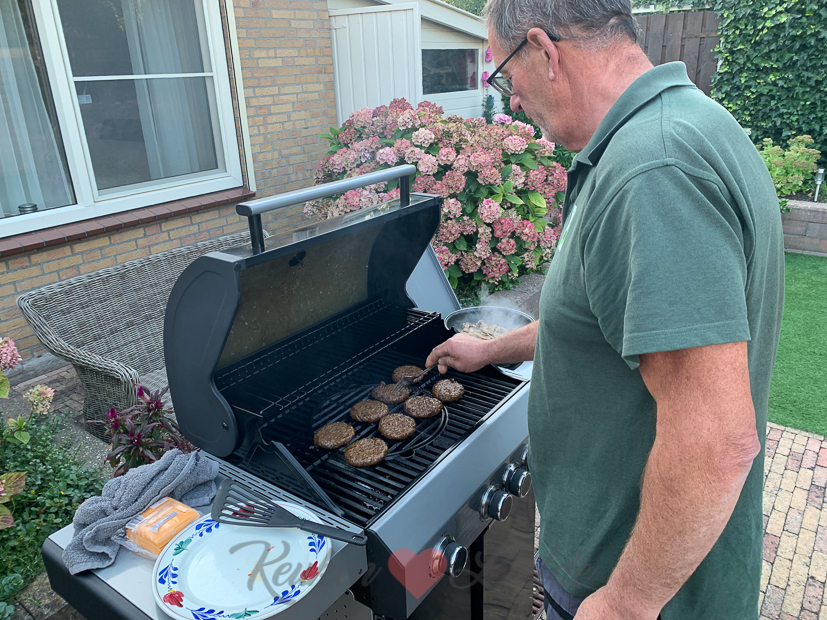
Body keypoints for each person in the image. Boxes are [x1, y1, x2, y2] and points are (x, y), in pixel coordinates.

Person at [425, 1, 785, 618]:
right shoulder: (686, 122)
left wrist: (624, 603)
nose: (512, 101)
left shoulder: (653, 170)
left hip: (636, 585)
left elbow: (716, 441)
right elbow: (603, 319)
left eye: (506, 76)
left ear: (544, 51)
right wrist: (491, 349)